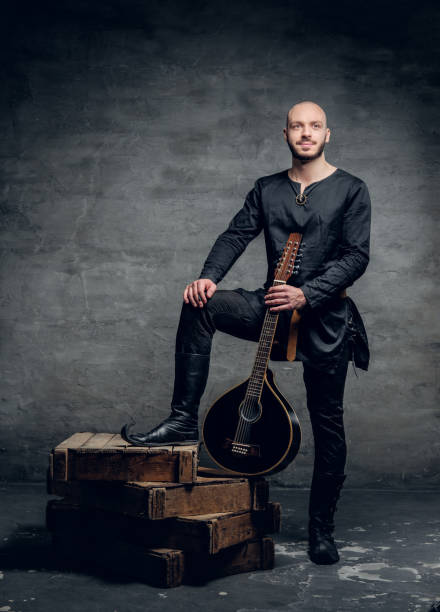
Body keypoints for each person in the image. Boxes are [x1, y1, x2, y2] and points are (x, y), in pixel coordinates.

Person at [121, 100, 371, 565]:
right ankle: (182, 418)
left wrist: (308, 293)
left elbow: (356, 256)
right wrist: (208, 276)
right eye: (297, 126)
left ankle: (321, 530)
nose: (306, 133)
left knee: (328, 423)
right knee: (200, 305)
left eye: (314, 126)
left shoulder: (352, 190)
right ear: (285, 134)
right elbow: (236, 235)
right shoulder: (268, 188)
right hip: (271, 305)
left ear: (327, 134)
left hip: (324, 318)